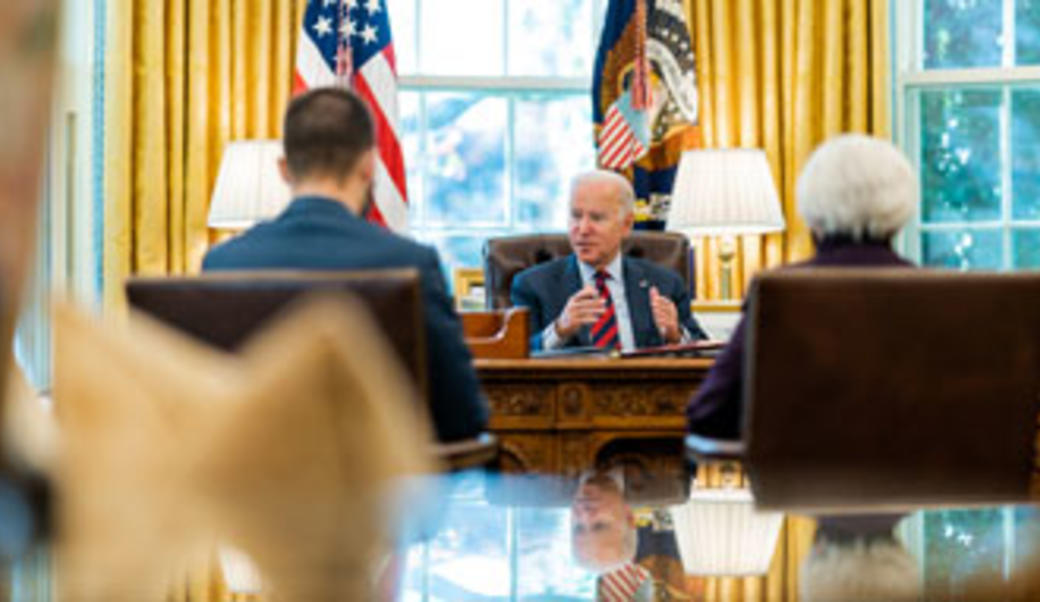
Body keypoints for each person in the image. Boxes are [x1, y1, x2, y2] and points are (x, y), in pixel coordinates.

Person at [202, 87, 488, 443]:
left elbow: (208, 409)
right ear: (369, 165)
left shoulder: (224, 263)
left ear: (284, 168)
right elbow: (462, 416)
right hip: (379, 493)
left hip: (256, 491)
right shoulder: (411, 263)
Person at [686, 134, 917, 439]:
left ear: (811, 209)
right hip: (915, 485)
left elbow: (709, 414)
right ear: (902, 207)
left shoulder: (777, 292)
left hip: (797, 484)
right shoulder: (946, 297)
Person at [510, 170, 706, 352]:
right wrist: (559, 329)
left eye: (596, 218)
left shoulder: (665, 284)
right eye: (576, 216)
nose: (583, 229)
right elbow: (514, 356)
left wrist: (676, 335)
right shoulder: (533, 285)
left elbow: (705, 353)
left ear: (626, 225)